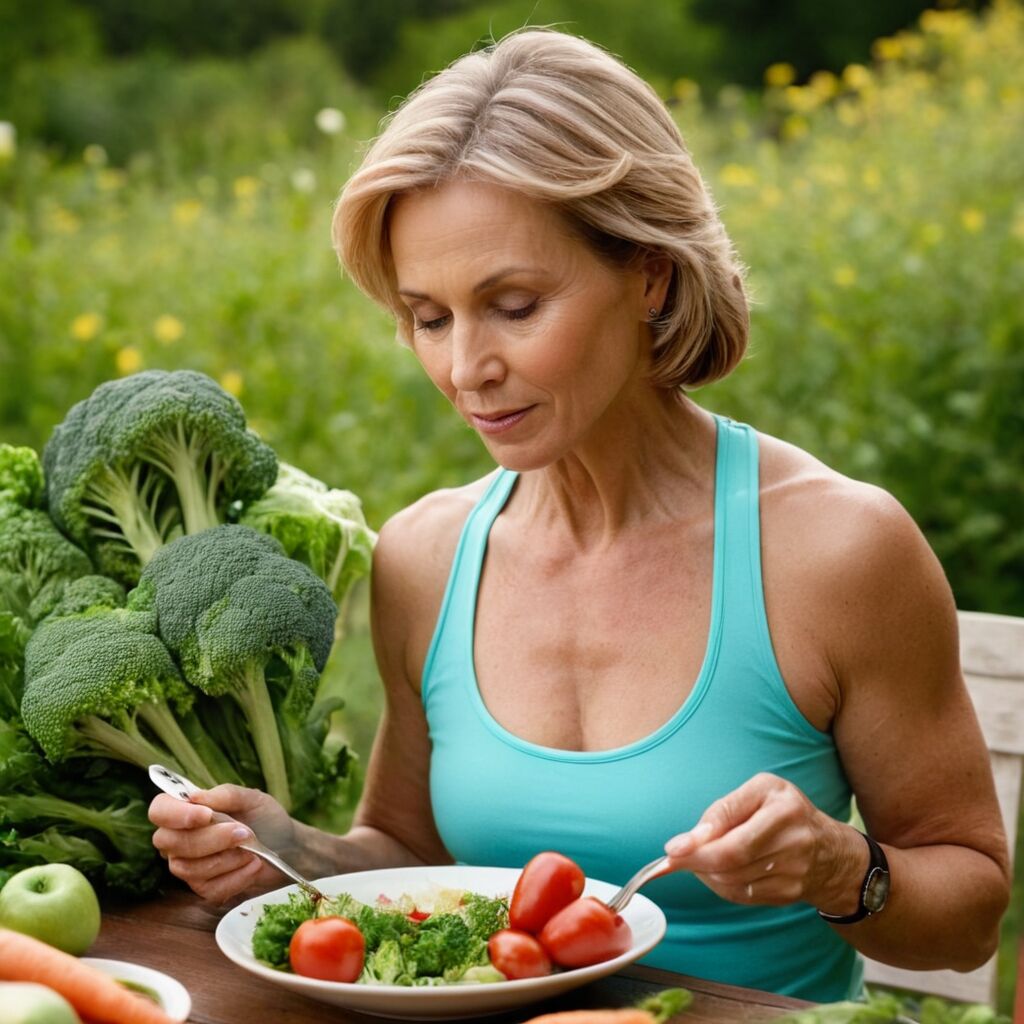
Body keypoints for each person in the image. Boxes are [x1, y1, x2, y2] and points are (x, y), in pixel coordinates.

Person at [148, 29, 1010, 1002]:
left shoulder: (833, 551)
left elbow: (969, 912)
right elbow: (408, 852)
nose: (465, 368)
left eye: (514, 305)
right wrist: (283, 849)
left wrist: (840, 868)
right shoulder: (427, 556)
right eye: (429, 317)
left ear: (649, 274)